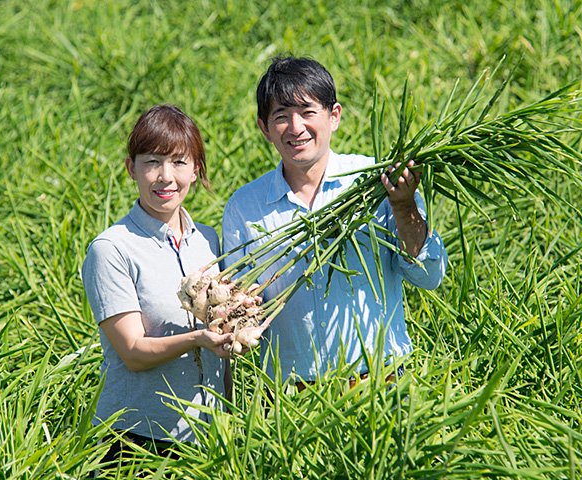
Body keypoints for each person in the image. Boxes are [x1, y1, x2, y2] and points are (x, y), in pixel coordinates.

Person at [221, 56, 448, 386]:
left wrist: (403, 206)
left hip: (380, 382)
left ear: (334, 116)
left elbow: (429, 276)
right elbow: (237, 306)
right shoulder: (245, 206)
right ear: (264, 128)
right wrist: (241, 307)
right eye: (281, 117)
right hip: (289, 395)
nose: (296, 127)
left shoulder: (378, 183)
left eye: (308, 112)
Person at [82, 104, 233, 459]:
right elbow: (133, 352)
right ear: (131, 168)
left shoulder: (207, 241)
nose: (166, 176)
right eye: (152, 162)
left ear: (196, 170)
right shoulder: (112, 248)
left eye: (179, 162)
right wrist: (198, 339)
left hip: (209, 435)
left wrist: (231, 415)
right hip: (136, 440)